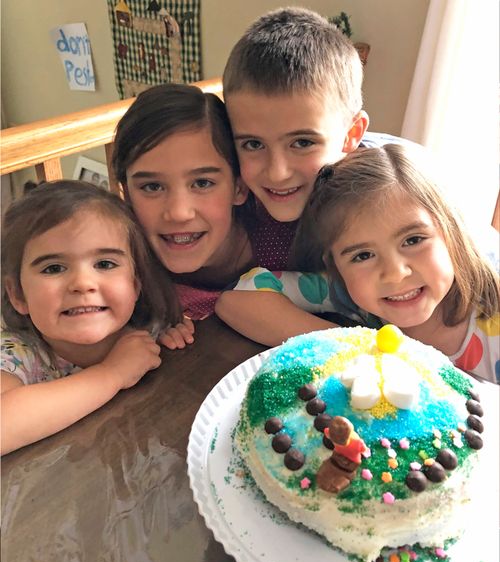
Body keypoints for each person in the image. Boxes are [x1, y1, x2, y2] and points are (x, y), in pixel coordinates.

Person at [233, 144, 500, 384]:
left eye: (414, 240)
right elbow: (240, 295)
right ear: (335, 264)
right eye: (362, 255)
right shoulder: (347, 294)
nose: (395, 274)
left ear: (450, 232)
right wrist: (354, 347)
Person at [215, 7, 389, 338]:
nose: (277, 173)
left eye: (303, 142)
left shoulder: (387, 202)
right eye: (253, 144)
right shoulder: (238, 201)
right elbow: (237, 301)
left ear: (352, 134)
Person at [1, 180, 182, 454]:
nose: (83, 283)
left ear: (135, 283)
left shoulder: (151, 328)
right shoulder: (17, 354)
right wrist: (112, 373)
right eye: (53, 268)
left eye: (105, 264)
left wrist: (175, 340)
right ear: (18, 295)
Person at [112, 83, 303, 340]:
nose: (179, 213)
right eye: (152, 186)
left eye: (202, 183)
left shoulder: (292, 241)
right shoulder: (123, 268)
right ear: (126, 190)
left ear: (239, 186)